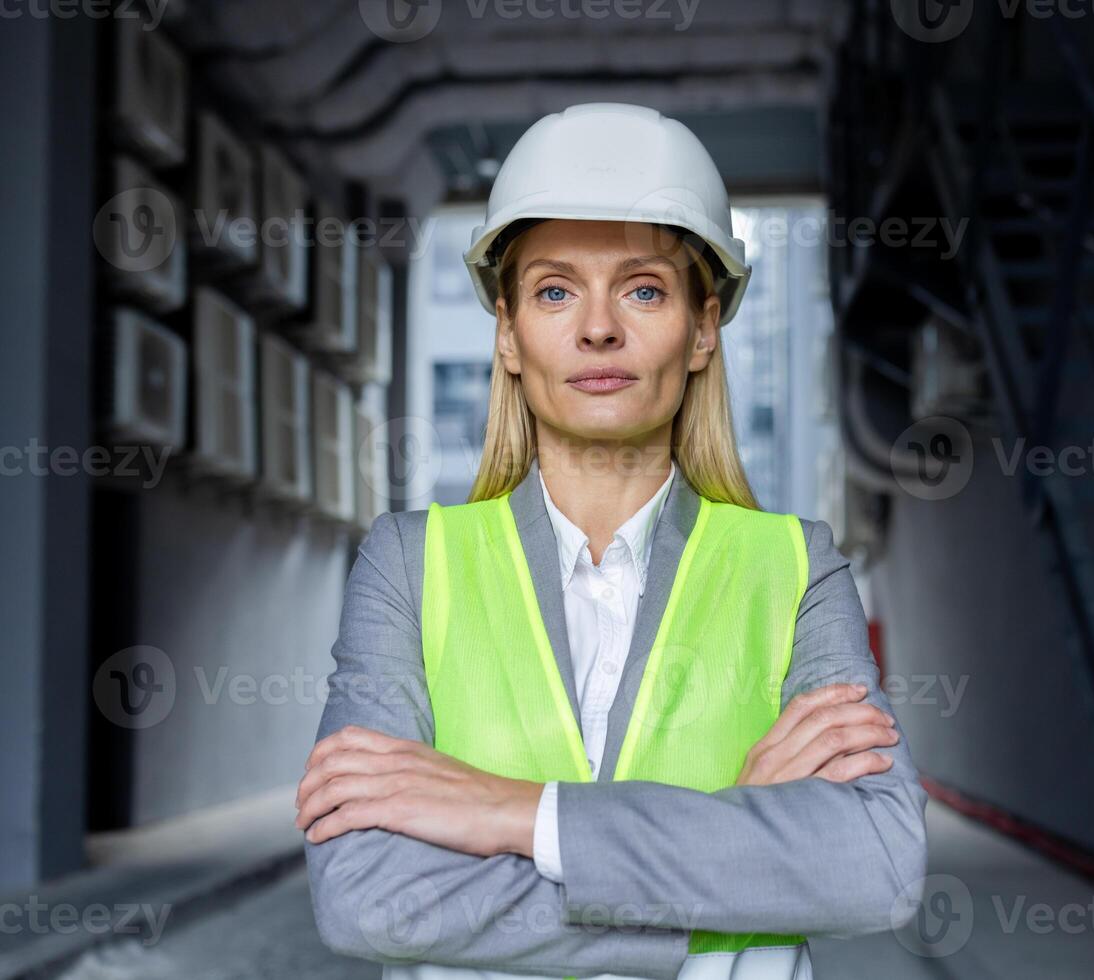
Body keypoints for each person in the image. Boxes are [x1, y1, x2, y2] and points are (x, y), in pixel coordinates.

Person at [295, 102, 928, 980]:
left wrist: (519, 815)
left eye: (643, 289)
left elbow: (876, 865)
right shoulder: (410, 564)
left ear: (703, 329)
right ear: (510, 334)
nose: (598, 328)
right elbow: (367, 894)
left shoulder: (794, 567)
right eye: (555, 290)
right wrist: (738, 862)